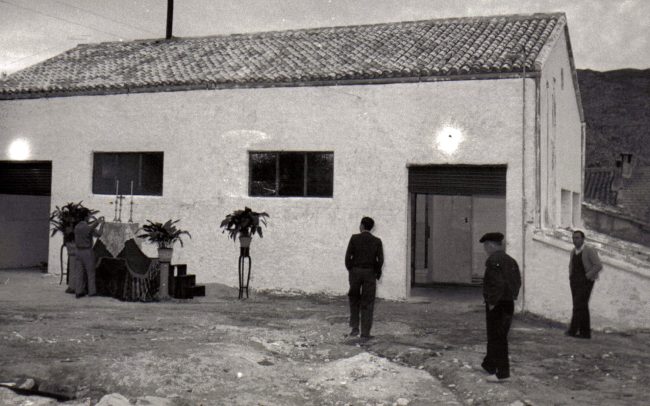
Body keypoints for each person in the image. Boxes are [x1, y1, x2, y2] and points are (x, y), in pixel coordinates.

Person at [479, 232, 521, 382]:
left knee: (497, 337)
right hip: (508, 302)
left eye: (485, 246)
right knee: (497, 335)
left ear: (490, 245)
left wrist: (492, 302)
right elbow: (517, 281)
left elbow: (497, 283)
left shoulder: (493, 260)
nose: (485, 249)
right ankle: (489, 364)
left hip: (498, 304)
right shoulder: (511, 260)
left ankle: (502, 373)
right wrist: (512, 296)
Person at [345, 216, 384, 342]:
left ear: (362, 226)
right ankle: (365, 333)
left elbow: (347, 257)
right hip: (369, 274)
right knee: (368, 302)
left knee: (354, 300)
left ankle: (354, 328)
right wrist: (376, 272)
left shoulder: (354, 238)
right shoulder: (377, 241)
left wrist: (351, 269)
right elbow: (380, 260)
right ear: (371, 228)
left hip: (355, 272)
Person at [565, 230, 602, 339]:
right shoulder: (573, 251)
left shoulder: (589, 250)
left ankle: (573, 330)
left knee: (578, 305)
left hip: (586, 282)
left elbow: (598, 265)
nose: (574, 240)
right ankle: (585, 333)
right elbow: (571, 265)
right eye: (573, 238)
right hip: (574, 282)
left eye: (577, 238)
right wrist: (571, 277)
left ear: (583, 239)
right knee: (582, 306)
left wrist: (587, 276)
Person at [74, 210, 105, 298]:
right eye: (88, 216)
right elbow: (98, 234)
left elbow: (91, 229)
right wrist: (101, 224)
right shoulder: (87, 227)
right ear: (85, 217)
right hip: (87, 251)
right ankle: (92, 291)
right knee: (90, 272)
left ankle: (78, 291)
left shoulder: (76, 227)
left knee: (79, 272)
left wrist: (96, 222)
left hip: (78, 251)